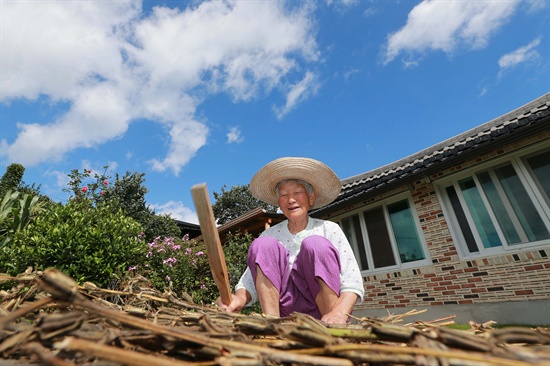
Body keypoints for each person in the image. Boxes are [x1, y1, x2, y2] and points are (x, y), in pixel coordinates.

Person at [216, 157, 364, 324]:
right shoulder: (270, 235)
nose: (291, 199)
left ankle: (334, 329)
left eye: (297, 193)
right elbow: (249, 280)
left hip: (325, 314)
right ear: (279, 202)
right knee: (263, 244)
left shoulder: (329, 229)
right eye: (284, 195)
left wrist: (340, 312)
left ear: (311, 197)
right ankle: (272, 325)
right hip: (283, 313)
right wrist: (238, 299)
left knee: (315, 245)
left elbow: (352, 280)